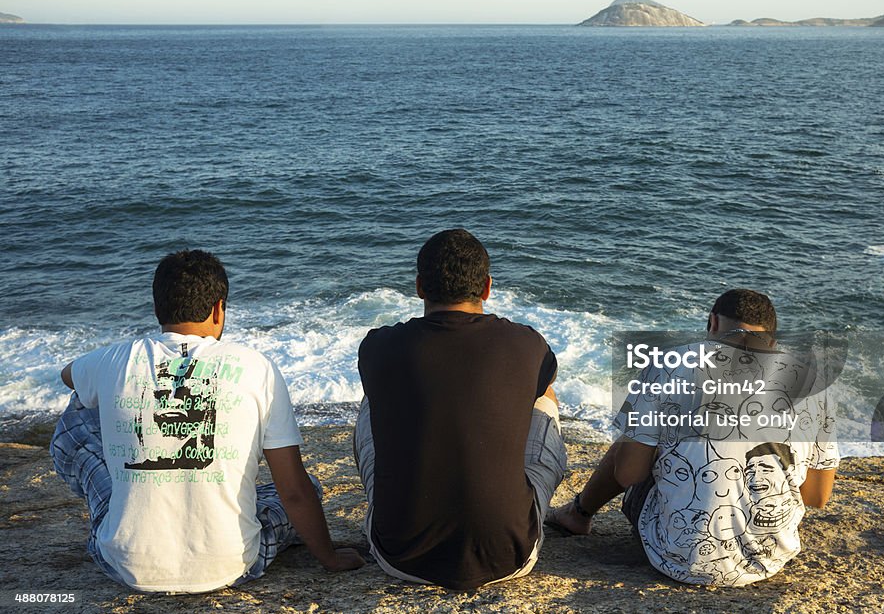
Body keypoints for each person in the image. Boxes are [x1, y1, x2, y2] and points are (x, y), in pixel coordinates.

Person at [50, 250, 364, 592]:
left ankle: (129, 509)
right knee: (310, 488)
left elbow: (69, 375)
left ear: (157, 308)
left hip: (126, 565)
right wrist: (329, 558)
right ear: (218, 309)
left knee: (79, 404)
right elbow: (293, 490)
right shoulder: (257, 367)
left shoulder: (116, 357)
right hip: (233, 564)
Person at [549, 288, 838, 586]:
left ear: (712, 324)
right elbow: (817, 497)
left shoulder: (669, 364)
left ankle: (578, 513)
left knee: (636, 441)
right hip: (769, 559)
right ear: (773, 341)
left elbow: (627, 474)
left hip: (675, 556)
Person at [355, 229, 567, 591]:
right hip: (510, 554)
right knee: (544, 392)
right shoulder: (527, 343)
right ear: (487, 288)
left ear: (420, 287)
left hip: (399, 555)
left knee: (371, 399)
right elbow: (535, 394)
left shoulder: (378, 346)